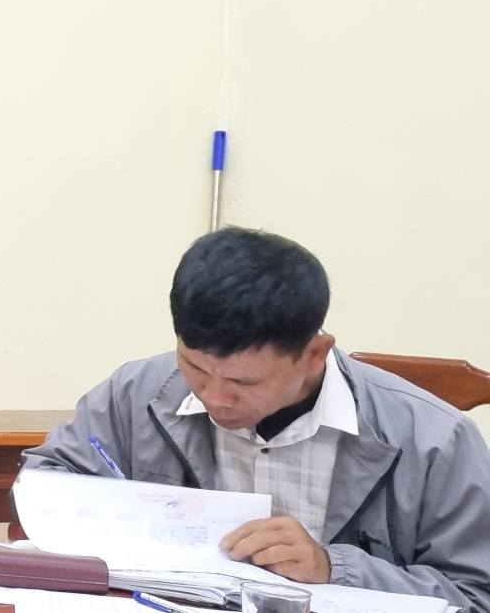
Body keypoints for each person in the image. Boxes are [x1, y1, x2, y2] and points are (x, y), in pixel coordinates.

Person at [24, 227, 490, 609]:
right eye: (194, 367)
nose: (214, 397)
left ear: (315, 354)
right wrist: (133, 517)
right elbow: (46, 482)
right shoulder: (136, 393)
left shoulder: (435, 440)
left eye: (242, 382)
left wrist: (334, 568)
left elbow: (476, 595)